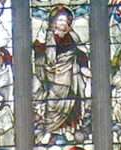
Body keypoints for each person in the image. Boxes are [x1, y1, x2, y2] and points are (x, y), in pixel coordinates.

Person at [33, 8, 92, 143]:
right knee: (52, 102)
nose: (63, 23)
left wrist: (83, 67)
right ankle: (49, 129)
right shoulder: (46, 35)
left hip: (71, 74)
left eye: (66, 20)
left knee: (72, 101)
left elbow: (81, 52)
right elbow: (39, 55)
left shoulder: (72, 36)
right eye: (60, 19)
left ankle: (68, 130)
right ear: (53, 21)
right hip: (52, 75)